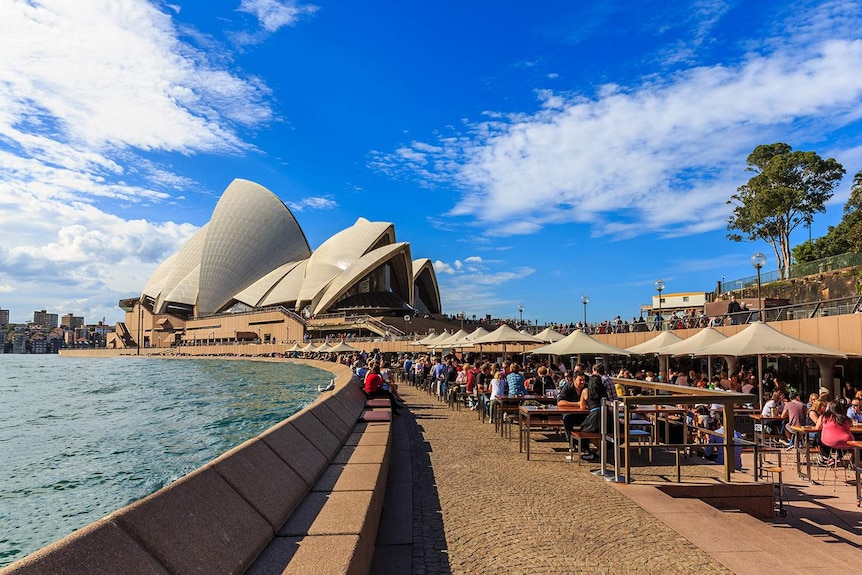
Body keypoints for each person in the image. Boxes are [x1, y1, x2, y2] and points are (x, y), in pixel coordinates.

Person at [576, 366, 611, 461]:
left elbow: (582, 406)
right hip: (606, 415)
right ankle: (601, 450)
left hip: (595, 415)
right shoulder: (604, 392)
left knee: (585, 431)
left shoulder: (586, 391)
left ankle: (600, 450)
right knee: (600, 431)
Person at [814, 400, 855, 465]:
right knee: (842, 441)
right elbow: (851, 425)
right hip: (847, 442)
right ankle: (840, 457)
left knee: (818, 437)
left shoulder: (824, 416)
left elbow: (817, 428)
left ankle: (829, 457)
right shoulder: (846, 418)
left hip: (829, 441)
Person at [557, 372, 588, 449]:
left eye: (584, 380)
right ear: (574, 380)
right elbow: (560, 403)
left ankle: (584, 445)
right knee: (567, 419)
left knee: (589, 421)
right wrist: (577, 404)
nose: (582, 382)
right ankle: (571, 444)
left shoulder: (587, 388)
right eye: (580, 380)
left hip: (583, 414)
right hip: (570, 414)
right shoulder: (567, 387)